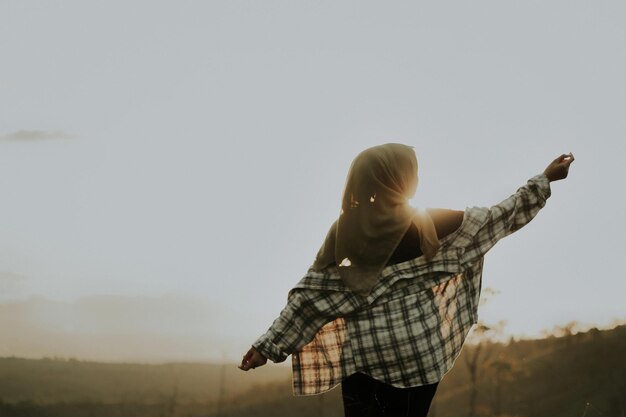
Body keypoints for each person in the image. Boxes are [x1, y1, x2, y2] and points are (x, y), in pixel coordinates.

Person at [238, 144, 575, 417]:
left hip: (363, 356)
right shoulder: (429, 220)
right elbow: (501, 217)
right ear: (401, 178)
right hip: (417, 356)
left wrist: (266, 346)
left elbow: (311, 292)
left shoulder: (347, 227)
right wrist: (544, 180)